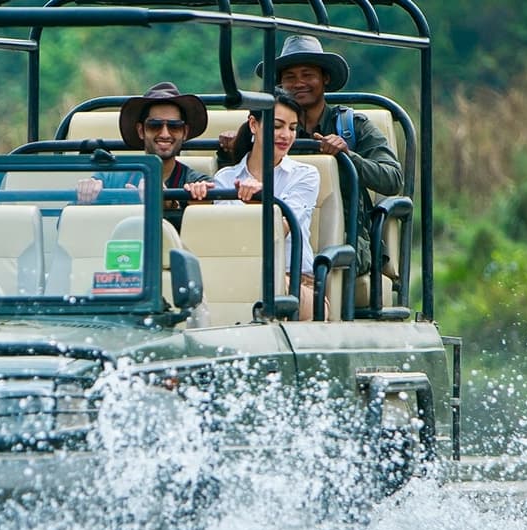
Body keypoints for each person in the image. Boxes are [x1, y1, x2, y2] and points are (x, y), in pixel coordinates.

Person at [219, 35, 402, 276]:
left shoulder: (351, 126)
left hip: (346, 236)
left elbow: (392, 179)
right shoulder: (259, 131)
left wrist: (348, 156)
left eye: (308, 75)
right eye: (290, 77)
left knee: (322, 262)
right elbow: (233, 178)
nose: (299, 84)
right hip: (273, 237)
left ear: (324, 78)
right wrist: (233, 146)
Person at [186, 88, 323, 320]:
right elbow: (226, 238)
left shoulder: (306, 175)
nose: (286, 136)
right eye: (277, 126)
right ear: (253, 125)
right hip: (235, 276)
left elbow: (281, 228)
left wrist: (257, 201)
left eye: (292, 128)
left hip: (294, 279)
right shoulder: (226, 178)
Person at [76, 81, 212, 226]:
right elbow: (67, 227)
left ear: (184, 132)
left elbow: (210, 237)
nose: (165, 134)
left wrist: (171, 206)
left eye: (174, 126)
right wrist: (83, 201)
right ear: (141, 130)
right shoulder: (108, 179)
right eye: (155, 126)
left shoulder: (198, 184)